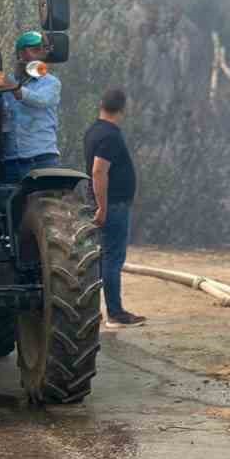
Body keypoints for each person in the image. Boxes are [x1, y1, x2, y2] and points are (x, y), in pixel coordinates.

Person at [84, 87, 145, 328]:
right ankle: (116, 314)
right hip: (113, 205)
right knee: (112, 259)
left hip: (106, 204)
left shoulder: (93, 131)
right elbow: (99, 171)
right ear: (123, 109)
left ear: (101, 104)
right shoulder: (110, 136)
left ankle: (91, 311)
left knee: (98, 259)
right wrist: (103, 207)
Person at [0, 30, 62, 182]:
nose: (41, 56)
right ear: (21, 55)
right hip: (11, 162)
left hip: (42, 160)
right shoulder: (5, 84)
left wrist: (13, 88)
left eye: (43, 50)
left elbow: (40, 100)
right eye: (35, 50)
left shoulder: (51, 83)